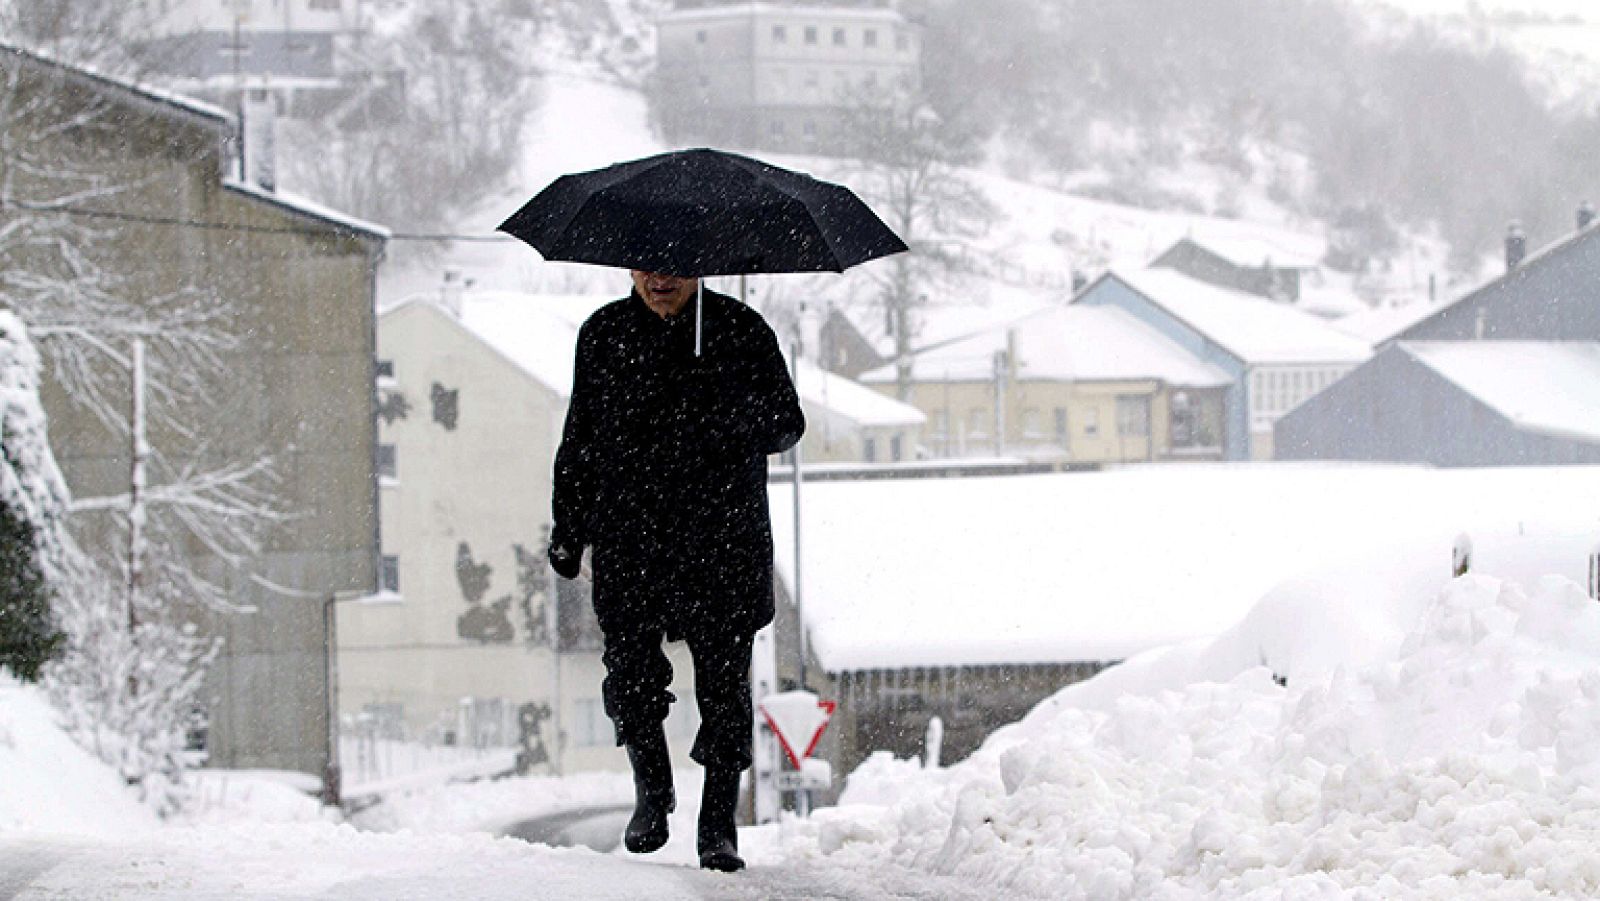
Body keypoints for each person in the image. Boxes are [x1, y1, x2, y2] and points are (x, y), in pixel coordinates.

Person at [547, 269, 805, 872]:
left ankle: (717, 823)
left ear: (701, 266)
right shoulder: (605, 335)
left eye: (673, 267)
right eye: (645, 265)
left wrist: (724, 403)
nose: (659, 278)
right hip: (633, 537)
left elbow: (786, 423)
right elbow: (580, 437)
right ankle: (652, 790)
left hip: (722, 537)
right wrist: (568, 527)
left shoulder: (740, 331)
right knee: (630, 673)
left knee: (724, 686)